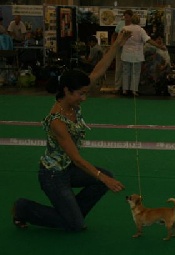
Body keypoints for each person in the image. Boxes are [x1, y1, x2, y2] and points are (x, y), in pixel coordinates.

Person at [12, 30, 131, 231]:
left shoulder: (74, 96)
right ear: (66, 90)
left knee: (102, 177)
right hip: (53, 176)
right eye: (80, 94)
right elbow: (77, 159)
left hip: (68, 169)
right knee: (75, 222)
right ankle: (23, 208)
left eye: (85, 93)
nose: (84, 98)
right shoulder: (57, 121)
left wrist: (116, 45)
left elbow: (99, 71)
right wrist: (103, 178)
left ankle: (72, 214)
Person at [121, 13, 165, 96]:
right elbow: (148, 40)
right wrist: (159, 46)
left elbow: (119, 40)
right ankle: (134, 90)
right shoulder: (141, 30)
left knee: (126, 72)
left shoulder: (124, 28)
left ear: (131, 20)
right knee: (135, 73)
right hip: (137, 54)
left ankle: (125, 90)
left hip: (126, 53)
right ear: (139, 21)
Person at [111, 10, 133, 94]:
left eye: (127, 16)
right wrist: (113, 44)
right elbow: (114, 34)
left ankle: (126, 88)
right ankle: (117, 87)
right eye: (125, 16)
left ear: (131, 17)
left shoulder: (134, 25)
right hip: (119, 47)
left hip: (129, 49)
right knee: (119, 68)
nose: (125, 18)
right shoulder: (120, 24)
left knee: (127, 69)